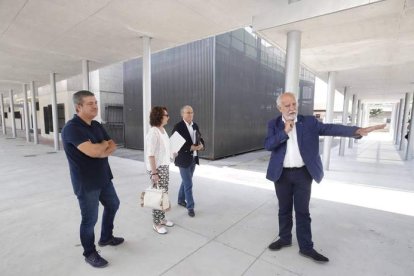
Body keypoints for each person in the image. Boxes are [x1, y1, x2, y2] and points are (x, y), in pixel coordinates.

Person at [265, 92, 385, 263]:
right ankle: (285, 238)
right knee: (283, 210)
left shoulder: (309, 122)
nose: (292, 108)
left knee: (302, 212)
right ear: (279, 108)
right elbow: (268, 145)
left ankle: (306, 247)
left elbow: (331, 128)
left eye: (294, 104)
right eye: (287, 105)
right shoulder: (274, 124)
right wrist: (285, 131)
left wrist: (356, 131)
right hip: (281, 175)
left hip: (303, 174)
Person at [61, 90, 124, 268]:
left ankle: (106, 237)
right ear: (78, 106)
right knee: (90, 219)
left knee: (113, 204)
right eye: (90, 103)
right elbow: (95, 151)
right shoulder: (71, 128)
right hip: (86, 183)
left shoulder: (96, 125)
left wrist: (101, 148)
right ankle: (89, 252)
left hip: (104, 177)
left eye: (95, 102)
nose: (95, 106)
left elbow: (113, 145)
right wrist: (101, 148)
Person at [145, 106, 175, 234]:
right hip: (156, 168)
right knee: (158, 196)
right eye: (166, 115)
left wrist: (172, 154)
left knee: (163, 194)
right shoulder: (153, 132)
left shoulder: (163, 130)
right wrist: (154, 173)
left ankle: (162, 219)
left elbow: (164, 150)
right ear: (159, 116)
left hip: (164, 166)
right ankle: (156, 223)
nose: (168, 117)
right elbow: (150, 154)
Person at [172, 105, 204, 217]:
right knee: (188, 184)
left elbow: (200, 137)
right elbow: (175, 144)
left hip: (193, 159)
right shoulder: (178, 126)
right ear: (182, 114)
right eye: (187, 112)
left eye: (191, 112)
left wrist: (201, 145)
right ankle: (190, 207)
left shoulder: (195, 125)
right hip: (183, 160)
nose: (190, 114)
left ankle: (180, 200)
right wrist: (190, 148)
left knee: (186, 181)